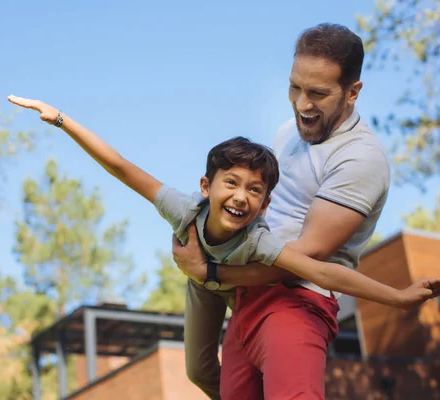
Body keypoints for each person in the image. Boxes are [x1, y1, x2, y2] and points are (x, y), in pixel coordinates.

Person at [7, 93, 440, 400]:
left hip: (220, 279)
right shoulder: (185, 210)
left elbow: (323, 272)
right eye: (232, 184)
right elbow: (122, 167)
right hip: (203, 285)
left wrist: (397, 298)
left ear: (264, 205)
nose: (241, 196)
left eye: (255, 191)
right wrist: (61, 120)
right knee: (198, 370)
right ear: (206, 186)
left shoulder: (259, 240)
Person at [172, 23, 405, 399]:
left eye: (317, 93)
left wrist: (213, 273)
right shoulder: (287, 133)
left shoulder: (361, 159)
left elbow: (305, 255)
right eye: (295, 87)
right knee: (201, 371)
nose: (301, 104)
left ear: (352, 93)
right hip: (247, 283)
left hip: (297, 295)